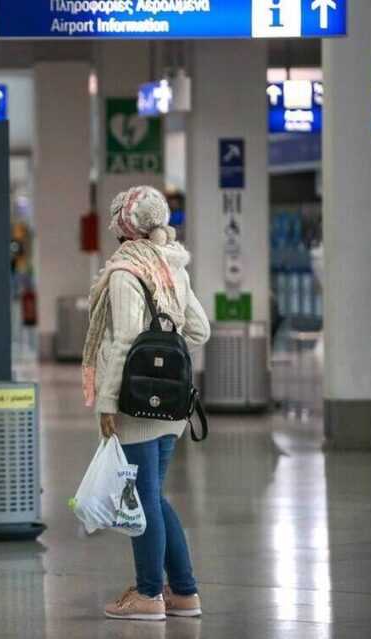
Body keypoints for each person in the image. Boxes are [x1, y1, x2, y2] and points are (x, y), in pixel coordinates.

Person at [82, 186, 211, 622]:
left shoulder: (125, 272)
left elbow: (123, 341)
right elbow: (199, 330)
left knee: (142, 498)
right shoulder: (173, 266)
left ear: (123, 228)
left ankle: (149, 593)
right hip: (170, 405)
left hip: (134, 405)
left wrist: (107, 402)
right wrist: (166, 353)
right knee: (153, 495)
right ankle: (185, 592)